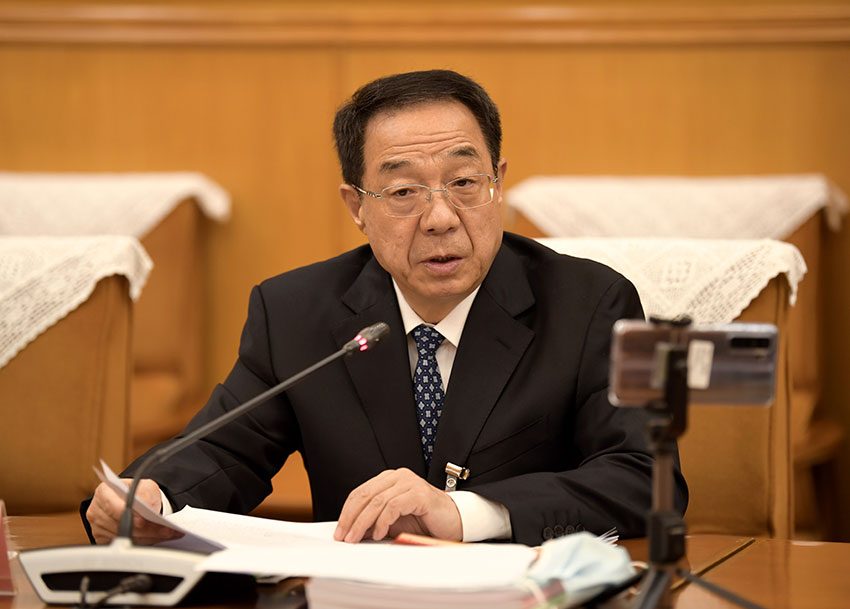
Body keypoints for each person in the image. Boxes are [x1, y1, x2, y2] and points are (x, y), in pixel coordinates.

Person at [83, 69, 688, 547]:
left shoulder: (588, 304)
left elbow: (643, 480)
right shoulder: (296, 312)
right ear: (357, 206)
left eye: (465, 183)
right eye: (403, 191)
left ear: (498, 181)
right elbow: (223, 450)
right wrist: (153, 498)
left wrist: (465, 514)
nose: (441, 217)